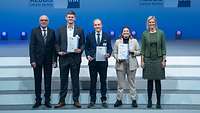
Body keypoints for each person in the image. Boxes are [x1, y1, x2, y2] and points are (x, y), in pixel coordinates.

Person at [54, 10, 85, 108]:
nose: (70, 18)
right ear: (66, 18)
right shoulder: (60, 29)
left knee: (75, 80)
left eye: (72, 17)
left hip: (75, 58)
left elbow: (83, 43)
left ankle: (76, 100)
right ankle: (61, 100)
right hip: (64, 58)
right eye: (69, 17)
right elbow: (56, 43)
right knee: (63, 80)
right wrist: (58, 51)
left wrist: (80, 50)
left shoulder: (80, 30)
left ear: (75, 18)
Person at [29, 15, 57, 108]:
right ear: (39, 21)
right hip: (37, 61)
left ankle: (47, 100)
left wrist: (54, 60)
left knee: (48, 81)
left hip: (48, 60)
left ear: (48, 21)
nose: (43, 21)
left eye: (45, 20)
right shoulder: (34, 31)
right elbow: (32, 46)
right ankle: (38, 100)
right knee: (38, 81)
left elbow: (54, 47)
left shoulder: (52, 32)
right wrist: (32, 60)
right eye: (42, 20)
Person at [85, 18, 112, 108]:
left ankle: (103, 99)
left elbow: (109, 48)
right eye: (95, 25)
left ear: (101, 25)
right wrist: (88, 55)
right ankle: (92, 100)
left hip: (103, 63)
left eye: (99, 24)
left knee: (103, 81)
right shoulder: (89, 36)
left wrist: (108, 54)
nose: (97, 26)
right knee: (93, 81)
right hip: (92, 62)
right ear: (93, 26)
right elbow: (86, 48)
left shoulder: (107, 36)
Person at [141, 16, 166, 109]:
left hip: (158, 59)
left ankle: (158, 102)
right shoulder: (144, 34)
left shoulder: (161, 33)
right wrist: (142, 61)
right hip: (148, 60)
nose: (151, 24)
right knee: (149, 82)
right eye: (149, 22)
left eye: (152, 22)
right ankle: (149, 101)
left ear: (155, 23)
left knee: (158, 82)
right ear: (147, 23)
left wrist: (164, 60)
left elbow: (164, 48)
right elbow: (143, 49)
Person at [112, 26, 140, 107]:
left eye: (127, 31)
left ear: (129, 32)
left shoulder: (134, 41)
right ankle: (119, 99)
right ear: (122, 33)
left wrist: (133, 52)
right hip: (120, 65)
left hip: (132, 65)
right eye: (124, 31)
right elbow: (114, 53)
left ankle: (134, 100)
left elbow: (139, 51)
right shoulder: (118, 42)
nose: (126, 33)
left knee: (132, 83)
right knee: (120, 84)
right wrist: (118, 58)